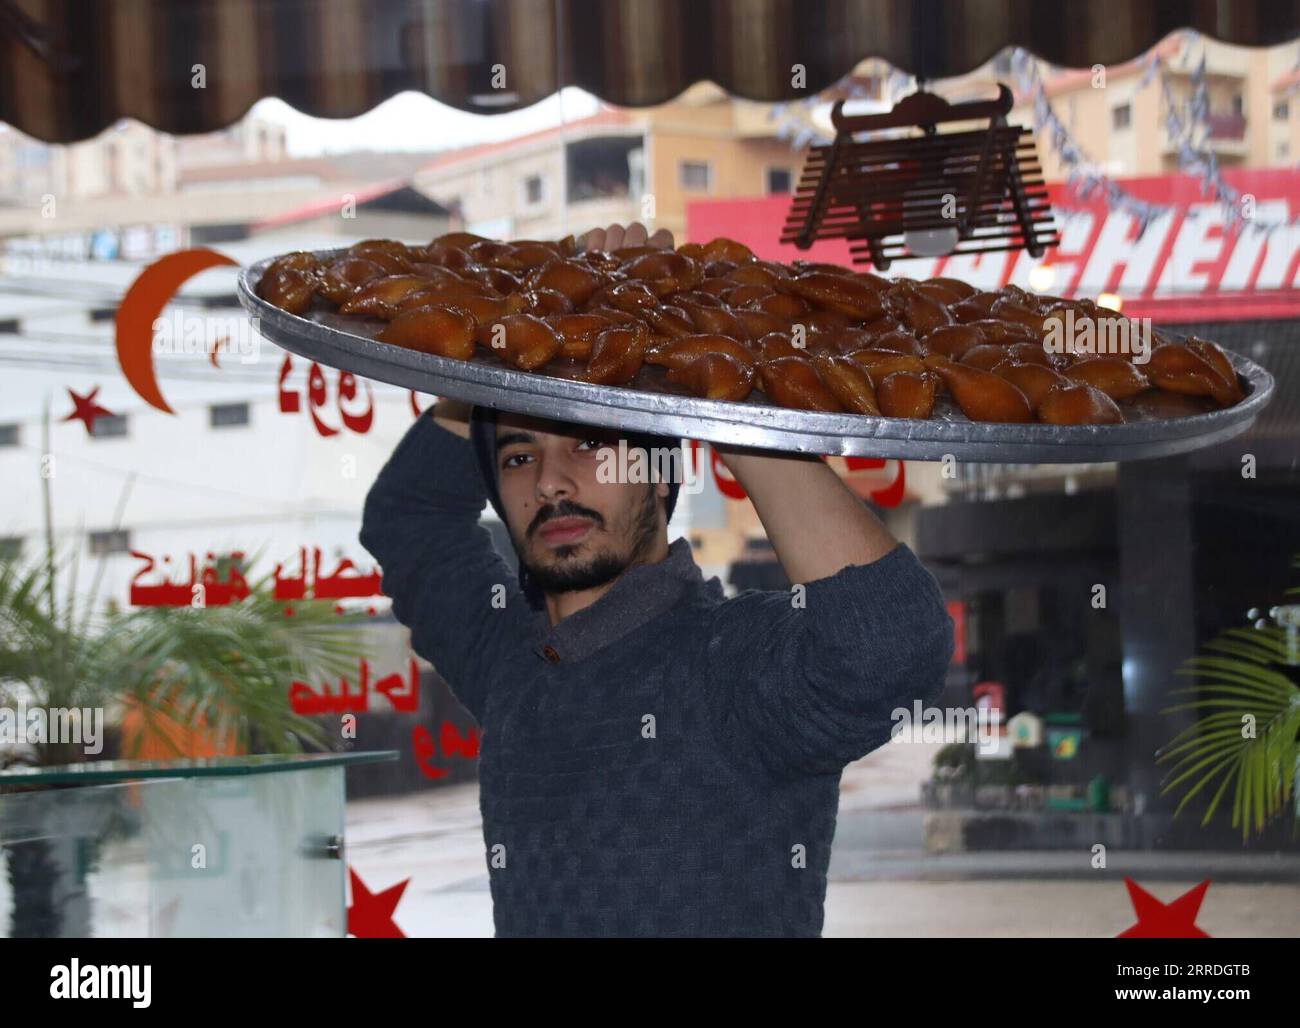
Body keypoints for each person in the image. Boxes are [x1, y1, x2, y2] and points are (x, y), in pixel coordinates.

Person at [359, 222, 954, 937]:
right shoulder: (508, 662)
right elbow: (408, 517)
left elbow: (891, 643)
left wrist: (725, 383)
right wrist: (517, 331)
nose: (550, 482)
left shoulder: (733, 668)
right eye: (519, 457)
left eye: (590, 444)